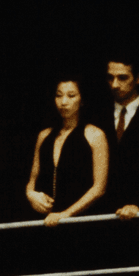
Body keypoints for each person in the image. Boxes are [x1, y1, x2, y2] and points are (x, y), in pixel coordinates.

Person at [26, 77, 109, 225]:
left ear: (82, 100)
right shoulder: (44, 135)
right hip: (45, 220)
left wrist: (65, 214)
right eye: (59, 95)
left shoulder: (95, 135)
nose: (63, 102)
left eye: (71, 96)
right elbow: (32, 180)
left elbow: (99, 188)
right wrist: (31, 195)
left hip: (81, 220)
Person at [98, 55, 139, 219]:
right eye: (110, 78)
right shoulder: (97, 116)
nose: (115, 85)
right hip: (99, 213)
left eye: (122, 78)